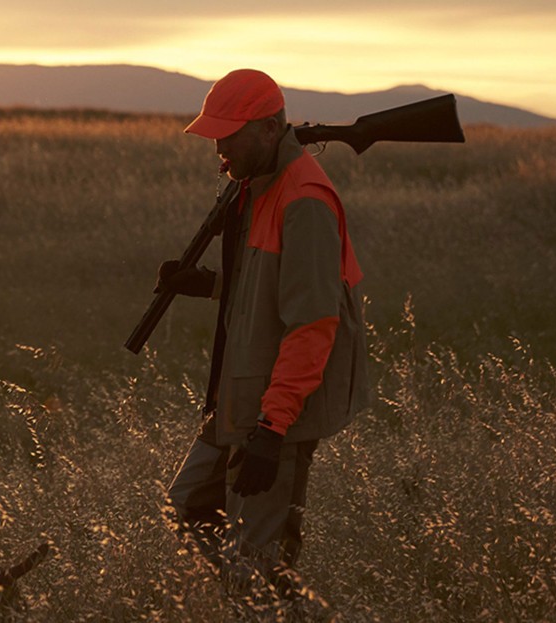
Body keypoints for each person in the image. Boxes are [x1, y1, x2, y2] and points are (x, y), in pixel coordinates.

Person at [158, 69, 370, 610]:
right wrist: (207, 284)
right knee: (186, 507)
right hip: (242, 392)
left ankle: (281, 609)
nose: (219, 146)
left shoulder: (305, 200)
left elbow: (312, 324)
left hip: (276, 410)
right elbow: (266, 281)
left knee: (252, 558)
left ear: (271, 128)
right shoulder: (260, 186)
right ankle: (277, 603)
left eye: (229, 134)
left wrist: (272, 430)